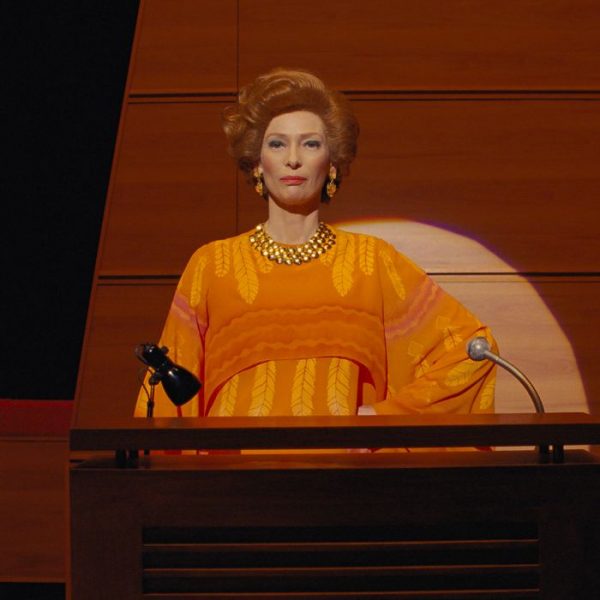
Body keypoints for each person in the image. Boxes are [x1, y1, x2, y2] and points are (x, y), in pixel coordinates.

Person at [135, 68, 496, 424]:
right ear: (257, 162)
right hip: (238, 462)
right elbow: (170, 405)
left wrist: (385, 417)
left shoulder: (372, 262)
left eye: (310, 144)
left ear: (332, 163)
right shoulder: (213, 265)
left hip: (339, 462)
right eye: (277, 144)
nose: (293, 158)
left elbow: (472, 349)